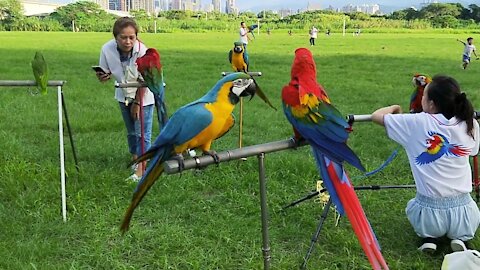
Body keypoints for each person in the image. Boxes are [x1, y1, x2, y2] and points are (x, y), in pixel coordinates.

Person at [372, 75, 480, 253]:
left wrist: (395, 108)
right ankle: (460, 238)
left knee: (415, 207)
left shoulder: (417, 122)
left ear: (431, 104)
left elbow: (377, 116)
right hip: (465, 214)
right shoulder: (470, 123)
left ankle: (430, 238)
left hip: (429, 215)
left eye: (424, 96)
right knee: (461, 221)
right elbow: (474, 151)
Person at [96, 17, 155, 182]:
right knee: (131, 131)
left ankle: (142, 169)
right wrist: (103, 76)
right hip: (122, 95)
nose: (128, 41)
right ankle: (136, 159)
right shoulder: (106, 49)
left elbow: (145, 80)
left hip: (143, 96)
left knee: (142, 132)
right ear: (115, 37)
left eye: (132, 37)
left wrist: (137, 103)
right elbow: (105, 72)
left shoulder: (142, 50)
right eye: (123, 37)